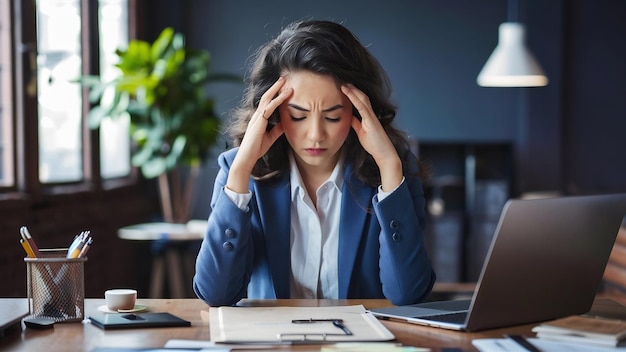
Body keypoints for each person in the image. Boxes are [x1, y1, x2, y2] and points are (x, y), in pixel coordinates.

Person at [193, 19, 435, 307]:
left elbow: (409, 294)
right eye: (298, 116)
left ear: (360, 110)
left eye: (333, 116)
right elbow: (216, 295)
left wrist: (390, 169)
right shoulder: (239, 172)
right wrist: (241, 173)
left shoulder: (394, 170)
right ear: (272, 112)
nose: (316, 135)